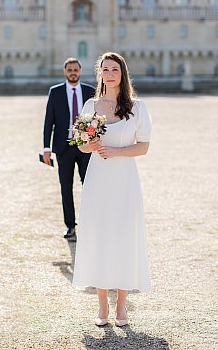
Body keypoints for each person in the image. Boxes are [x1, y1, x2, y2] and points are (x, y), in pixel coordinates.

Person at [73, 52, 152, 327]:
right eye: (105, 69)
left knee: (123, 237)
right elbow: (81, 144)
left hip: (125, 180)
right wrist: (89, 145)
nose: (109, 74)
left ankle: (122, 307)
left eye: (114, 69)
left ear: (122, 73)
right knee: (99, 237)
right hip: (98, 180)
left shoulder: (137, 107)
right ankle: (102, 307)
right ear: (100, 74)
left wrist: (117, 151)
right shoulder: (90, 105)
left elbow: (143, 146)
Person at [43, 58, 95, 240]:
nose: (73, 72)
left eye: (75, 69)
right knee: (66, 188)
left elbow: (98, 119)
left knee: (89, 187)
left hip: (85, 148)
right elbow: (49, 121)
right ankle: (70, 226)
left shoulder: (90, 91)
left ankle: (90, 224)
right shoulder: (55, 92)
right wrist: (46, 148)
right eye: (69, 69)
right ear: (65, 72)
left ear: (80, 71)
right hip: (63, 148)